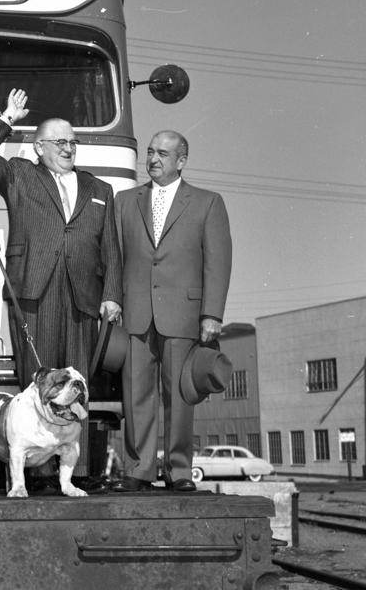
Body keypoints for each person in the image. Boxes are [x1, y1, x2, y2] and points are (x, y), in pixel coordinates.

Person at [0, 88, 122, 489]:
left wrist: (111, 294)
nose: (68, 148)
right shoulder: (20, 175)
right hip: (33, 292)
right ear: (39, 148)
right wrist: (8, 116)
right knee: (38, 383)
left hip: (82, 298)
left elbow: (111, 248)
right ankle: (35, 472)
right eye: (59, 142)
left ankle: (75, 473)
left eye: (72, 142)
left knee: (77, 385)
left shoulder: (100, 190)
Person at [111, 130, 232, 492]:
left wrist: (212, 314)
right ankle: (138, 469)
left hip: (184, 315)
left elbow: (218, 263)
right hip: (135, 312)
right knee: (135, 394)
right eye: (150, 152)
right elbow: (114, 258)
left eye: (162, 154)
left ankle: (179, 471)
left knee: (179, 396)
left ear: (182, 161)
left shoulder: (208, 203)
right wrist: (113, 299)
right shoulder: (124, 201)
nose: (152, 159)